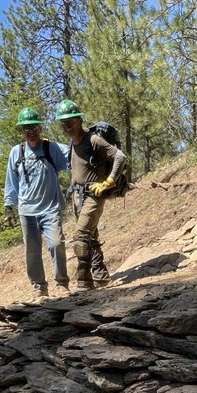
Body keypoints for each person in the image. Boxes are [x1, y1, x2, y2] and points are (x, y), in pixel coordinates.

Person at [55, 99, 127, 290]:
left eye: (70, 121)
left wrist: (109, 181)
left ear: (79, 119)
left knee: (80, 237)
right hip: (78, 197)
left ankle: (84, 281)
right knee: (91, 238)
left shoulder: (93, 140)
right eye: (63, 122)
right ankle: (101, 276)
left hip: (94, 196)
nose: (67, 125)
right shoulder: (72, 144)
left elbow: (120, 157)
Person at [4, 107, 71, 300]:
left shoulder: (52, 148)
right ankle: (39, 287)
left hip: (50, 208)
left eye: (34, 126)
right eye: (26, 127)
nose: (30, 130)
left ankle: (61, 283)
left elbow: (74, 154)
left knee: (56, 243)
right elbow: (11, 181)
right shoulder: (16, 153)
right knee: (32, 251)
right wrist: (9, 207)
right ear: (21, 130)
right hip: (26, 210)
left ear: (40, 127)